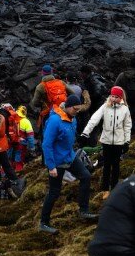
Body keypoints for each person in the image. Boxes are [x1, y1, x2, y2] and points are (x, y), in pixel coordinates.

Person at [40, 94, 98, 234]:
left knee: (86, 176)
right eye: (75, 109)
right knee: (54, 192)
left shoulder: (72, 118)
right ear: (68, 106)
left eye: (78, 109)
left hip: (70, 157)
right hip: (57, 162)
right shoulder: (55, 120)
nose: (77, 112)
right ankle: (44, 223)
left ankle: (83, 210)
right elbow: (46, 144)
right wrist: (51, 166)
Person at [81, 86, 131, 196]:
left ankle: (114, 188)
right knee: (107, 165)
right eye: (112, 96)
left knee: (116, 165)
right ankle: (105, 189)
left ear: (121, 98)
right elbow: (94, 119)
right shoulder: (105, 107)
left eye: (116, 97)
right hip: (106, 141)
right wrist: (85, 133)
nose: (114, 99)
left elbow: (127, 126)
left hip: (119, 142)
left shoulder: (125, 109)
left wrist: (127, 141)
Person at [30, 64, 72, 130]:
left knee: (48, 130)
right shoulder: (61, 82)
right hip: (63, 110)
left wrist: (43, 104)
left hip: (49, 112)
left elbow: (35, 103)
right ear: (52, 72)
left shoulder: (40, 86)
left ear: (42, 73)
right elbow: (72, 93)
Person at [14, 105, 36, 172]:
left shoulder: (12, 119)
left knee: (10, 160)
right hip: (21, 144)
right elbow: (30, 137)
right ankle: (18, 172)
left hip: (11, 143)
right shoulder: (26, 121)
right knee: (19, 159)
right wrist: (32, 148)